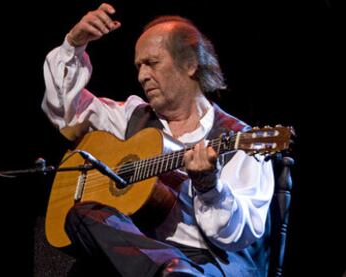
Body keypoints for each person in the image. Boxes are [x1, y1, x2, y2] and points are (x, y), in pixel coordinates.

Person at [42, 2, 274, 276]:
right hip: (138, 250)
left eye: (152, 63)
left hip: (210, 263)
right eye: (138, 66)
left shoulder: (239, 140)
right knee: (80, 215)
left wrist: (208, 186)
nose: (142, 76)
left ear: (190, 64)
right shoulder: (132, 117)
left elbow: (239, 236)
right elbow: (64, 110)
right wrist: (75, 43)